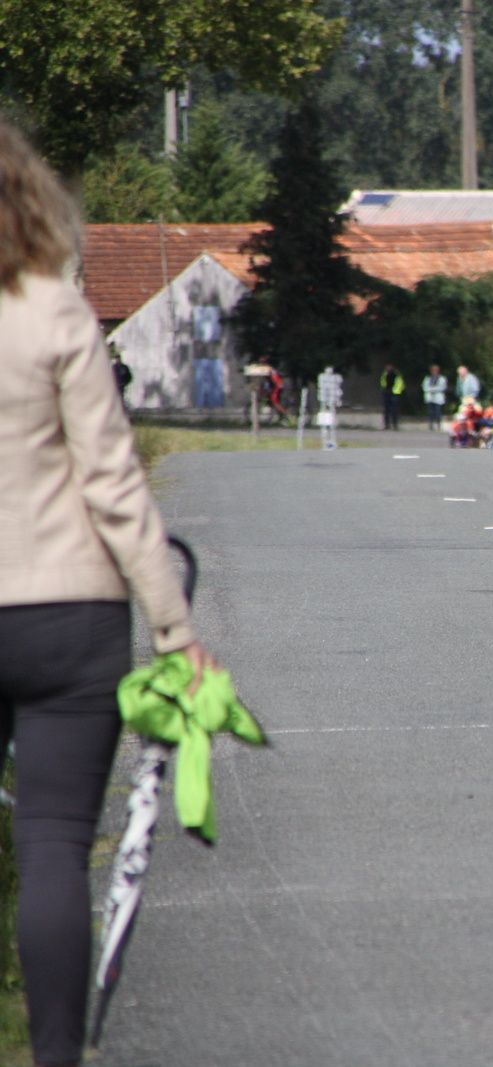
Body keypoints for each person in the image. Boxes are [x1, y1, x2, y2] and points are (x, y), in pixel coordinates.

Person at [0, 115, 220, 1067]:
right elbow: (115, 482)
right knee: (52, 845)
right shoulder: (53, 312)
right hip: (68, 611)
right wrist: (173, 624)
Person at [422, 364, 448, 431]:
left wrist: (432, 389)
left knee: (438, 412)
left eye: (435, 370)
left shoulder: (442, 378)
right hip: (429, 398)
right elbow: (424, 387)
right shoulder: (427, 378)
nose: (434, 371)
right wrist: (432, 389)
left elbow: (442, 387)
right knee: (430, 412)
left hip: (438, 398)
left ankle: (438, 425)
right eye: (433, 370)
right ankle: (430, 425)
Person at [379, 363, 404, 430]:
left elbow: (400, 384)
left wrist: (393, 391)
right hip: (387, 393)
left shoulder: (397, 375)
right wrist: (384, 389)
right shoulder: (385, 374)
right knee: (386, 410)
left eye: (389, 366)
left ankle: (395, 425)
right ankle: (387, 425)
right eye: (387, 367)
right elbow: (382, 382)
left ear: (392, 367)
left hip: (394, 393)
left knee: (394, 410)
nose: (388, 368)